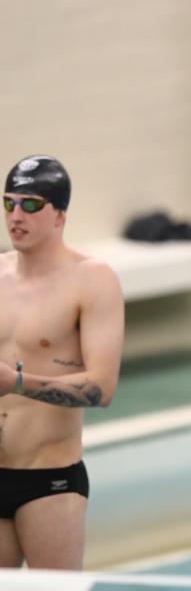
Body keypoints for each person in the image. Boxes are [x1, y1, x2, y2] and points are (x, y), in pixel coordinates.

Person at [0, 155, 124, 569]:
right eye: (9, 203)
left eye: (31, 204)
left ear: (60, 215)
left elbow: (102, 389)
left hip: (49, 482)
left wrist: (17, 384)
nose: (16, 216)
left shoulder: (92, 280)